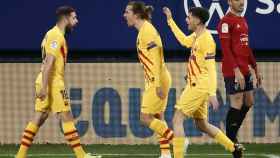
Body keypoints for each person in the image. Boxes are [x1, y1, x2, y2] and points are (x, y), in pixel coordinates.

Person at [15, 6, 101, 158]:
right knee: (66, 116)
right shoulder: (56, 36)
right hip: (52, 81)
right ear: (66, 18)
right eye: (74, 18)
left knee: (39, 116)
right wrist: (44, 86)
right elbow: (49, 62)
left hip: (46, 79)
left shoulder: (52, 33)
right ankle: (81, 156)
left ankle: (20, 155)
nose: (76, 21)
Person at [163, 6, 244, 158]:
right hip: (197, 85)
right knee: (202, 125)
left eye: (189, 17)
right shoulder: (196, 37)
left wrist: (212, 93)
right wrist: (170, 20)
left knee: (177, 118)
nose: (187, 19)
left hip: (198, 86)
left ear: (198, 20)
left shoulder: (207, 40)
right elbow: (183, 41)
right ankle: (233, 147)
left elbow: (211, 68)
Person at [123, 1, 173, 158]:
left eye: (127, 12)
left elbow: (156, 59)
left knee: (145, 118)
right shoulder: (145, 30)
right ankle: (165, 154)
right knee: (158, 116)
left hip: (156, 79)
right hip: (156, 78)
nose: (125, 15)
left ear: (136, 15)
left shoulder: (147, 31)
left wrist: (157, 84)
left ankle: (177, 140)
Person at [217, 1, 262, 157]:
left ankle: (231, 134)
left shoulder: (243, 20)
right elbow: (226, 49)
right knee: (236, 103)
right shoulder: (225, 22)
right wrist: (236, 70)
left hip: (245, 69)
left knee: (249, 101)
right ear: (229, 1)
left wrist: (255, 67)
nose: (241, 2)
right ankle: (232, 144)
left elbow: (246, 46)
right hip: (232, 70)